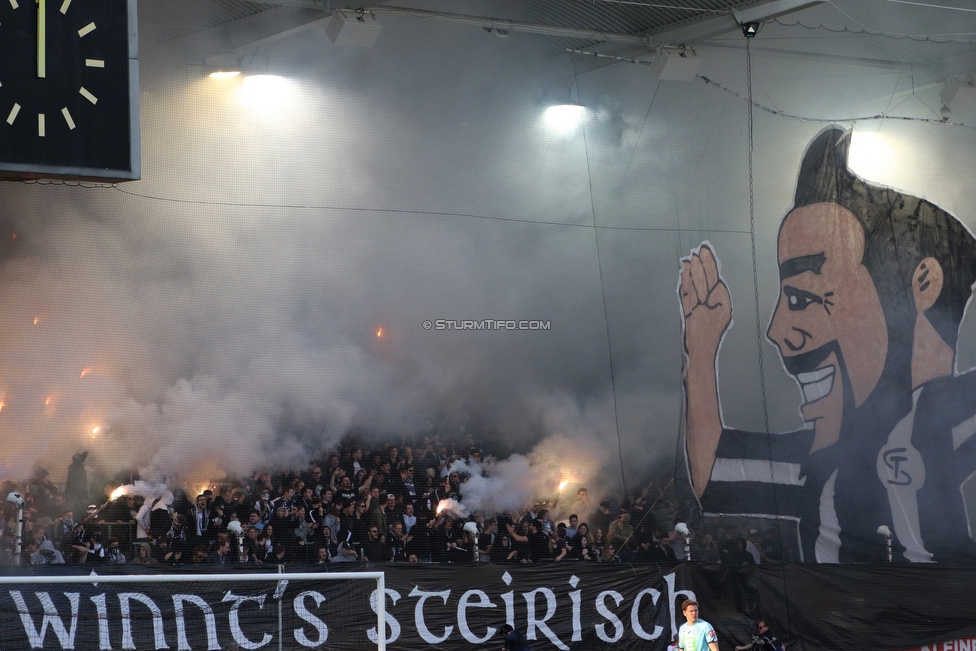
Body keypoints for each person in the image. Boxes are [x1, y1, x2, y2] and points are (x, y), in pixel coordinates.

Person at [679, 127, 976, 563]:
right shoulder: (822, 458)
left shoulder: (945, 415)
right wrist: (700, 357)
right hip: (842, 626)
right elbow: (714, 472)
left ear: (922, 285)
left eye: (802, 298)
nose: (777, 330)